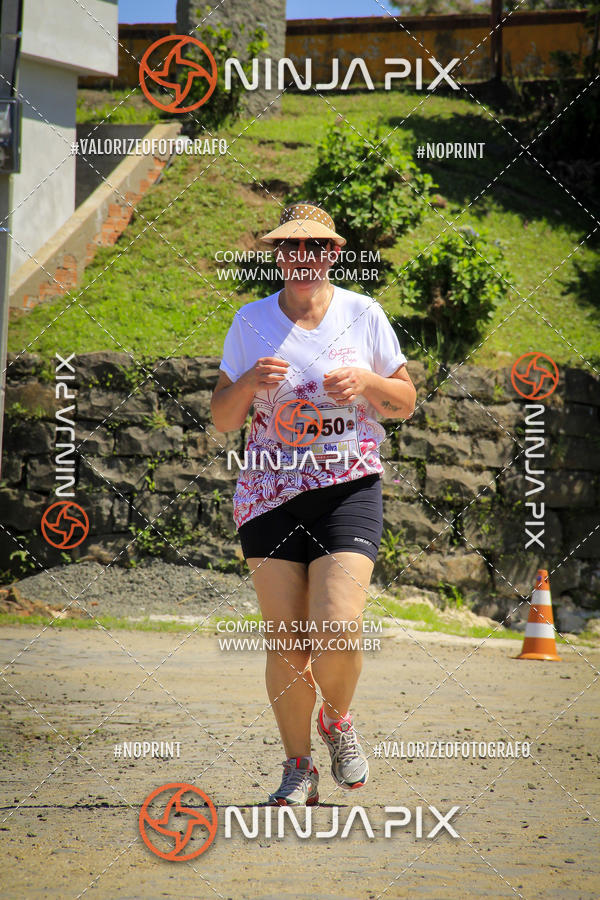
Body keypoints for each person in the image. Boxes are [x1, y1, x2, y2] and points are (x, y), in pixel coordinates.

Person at [211, 203, 416, 806]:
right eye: (291, 247)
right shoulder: (250, 321)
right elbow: (223, 418)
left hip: (346, 485)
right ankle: (299, 766)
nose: (304, 257)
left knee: (337, 627)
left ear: (333, 253)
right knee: (286, 641)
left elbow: (404, 400)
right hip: (270, 491)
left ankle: (339, 720)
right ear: (278, 254)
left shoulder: (364, 314)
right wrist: (249, 383)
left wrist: (369, 384)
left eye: (316, 247)